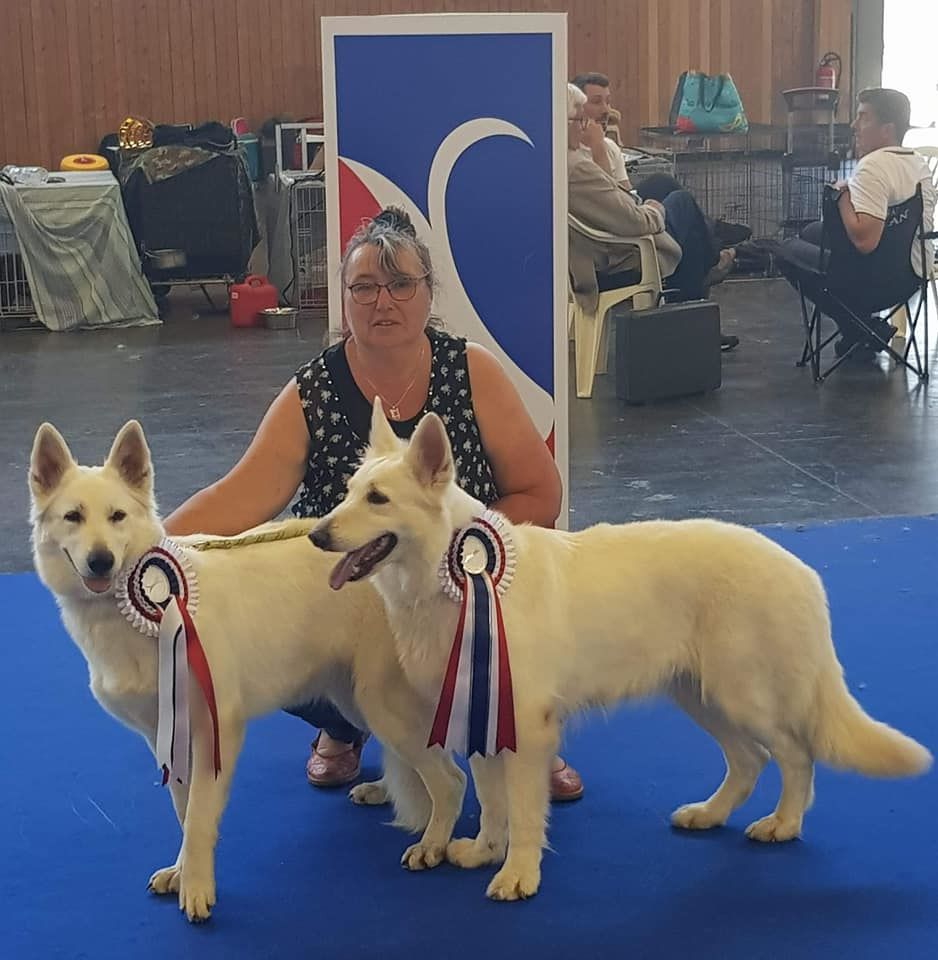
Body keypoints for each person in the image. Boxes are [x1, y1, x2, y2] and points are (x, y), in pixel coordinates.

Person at [164, 207, 585, 802]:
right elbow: (239, 497)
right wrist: (153, 550)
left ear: (427, 294)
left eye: (400, 285)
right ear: (344, 299)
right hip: (349, 581)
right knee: (271, 613)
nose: (381, 301)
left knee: (506, 609)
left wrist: (465, 556)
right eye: (363, 287)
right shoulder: (310, 390)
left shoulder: (473, 371)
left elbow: (541, 493)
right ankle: (342, 728)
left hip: (465, 580)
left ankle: (517, 736)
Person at [566, 85, 739, 350]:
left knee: (662, 183)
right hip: (617, 252)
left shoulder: (567, 156)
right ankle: (708, 268)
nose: (588, 123)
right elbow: (633, 220)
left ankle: (708, 255)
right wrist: (653, 211)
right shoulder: (577, 166)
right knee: (682, 204)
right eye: (582, 117)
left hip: (604, 229)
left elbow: (616, 193)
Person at [776, 87, 936, 358]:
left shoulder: (872, 166)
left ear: (887, 129)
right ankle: (861, 331)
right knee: (811, 232)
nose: (854, 125)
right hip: (911, 276)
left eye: (863, 117)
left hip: (871, 283)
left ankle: (860, 328)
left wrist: (842, 196)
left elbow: (864, 241)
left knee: (785, 248)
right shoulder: (916, 163)